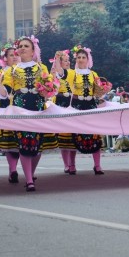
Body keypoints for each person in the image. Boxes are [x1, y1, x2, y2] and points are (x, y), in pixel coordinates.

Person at [0, 36, 56, 191]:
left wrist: (48, 89)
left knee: (37, 146)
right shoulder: (12, 70)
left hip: (38, 107)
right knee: (24, 143)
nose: (22, 48)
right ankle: (29, 180)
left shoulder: (42, 68)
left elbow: (50, 89)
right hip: (20, 108)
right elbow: (4, 94)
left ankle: (30, 174)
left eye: (26, 46)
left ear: (33, 50)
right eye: (20, 46)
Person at [52, 45, 112, 175]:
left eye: (83, 57)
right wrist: (57, 60)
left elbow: (98, 92)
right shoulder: (72, 73)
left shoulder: (93, 74)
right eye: (78, 57)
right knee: (74, 134)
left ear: (87, 59)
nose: (80, 59)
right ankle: (72, 166)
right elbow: (61, 73)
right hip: (77, 104)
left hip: (90, 104)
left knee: (94, 135)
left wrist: (104, 89)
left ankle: (97, 165)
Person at [0, 43, 22, 182]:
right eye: (11, 55)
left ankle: (18, 170)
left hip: (19, 107)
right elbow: (0, 92)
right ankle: (13, 170)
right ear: (5, 58)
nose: (14, 57)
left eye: (16, 54)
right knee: (10, 142)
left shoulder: (21, 70)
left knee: (19, 140)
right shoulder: (2, 72)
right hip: (5, 108)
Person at [51, 49, 78, 174]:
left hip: (71, 103)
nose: (68, 62)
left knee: (73, 136)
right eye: (65, 61)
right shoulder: (56, 73)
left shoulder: (73, 72)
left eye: (68, 60)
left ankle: (72, 164)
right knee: (63, 136)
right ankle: (66, 164)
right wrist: (57, 59)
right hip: (60, 103)